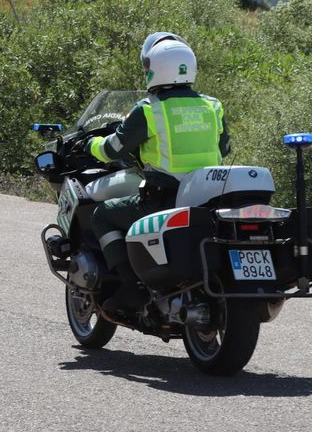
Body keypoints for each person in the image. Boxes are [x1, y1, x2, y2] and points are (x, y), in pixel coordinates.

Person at [85, 33, 230, 318]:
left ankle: (130, 287)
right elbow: (224, 147)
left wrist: (89, 145)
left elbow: (112, 149)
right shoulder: (213, 106)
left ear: (156, 68)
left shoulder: (150, 109)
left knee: (102, 215)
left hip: (163, 202)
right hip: (207, 200)